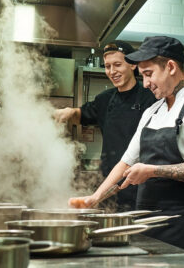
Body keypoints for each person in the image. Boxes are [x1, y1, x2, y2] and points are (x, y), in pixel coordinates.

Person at [68, 36, 184, 252]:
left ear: (170, 67)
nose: (145, 83)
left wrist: (152, 171)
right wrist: (95, 198)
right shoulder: (152, 112)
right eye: (142, 76)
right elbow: (126, 162)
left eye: (149, 74)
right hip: (147, 223)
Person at [55, 40, 157, 211]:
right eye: (107, 66)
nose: (111, 71)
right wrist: (68, 112)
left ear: (132, 65)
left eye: (117, 65)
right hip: (109, 185)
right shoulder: (105, 99)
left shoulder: (150, 97)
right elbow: (80, 114)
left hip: (141, 186)